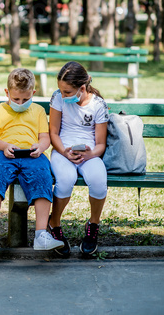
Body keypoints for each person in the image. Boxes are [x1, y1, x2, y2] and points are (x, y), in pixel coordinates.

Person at [0, 68, 64, 251]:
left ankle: (41, 235)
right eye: (16, 99)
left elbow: (45, 137)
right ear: (7, 93)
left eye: (26, 99)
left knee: (42, 177)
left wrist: (41, 146)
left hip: (33, 155)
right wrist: (4, 146)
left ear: (33, 94)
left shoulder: (37, 111)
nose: (21, 103)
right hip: (4, 155)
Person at [48, 61, 109, 257]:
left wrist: (90, 154)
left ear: (81, 88)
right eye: (61, 91)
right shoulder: (58, 98)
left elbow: (100, 143)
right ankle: (54, 223)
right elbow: (53, 132)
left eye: (67, 92)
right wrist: (64, 152)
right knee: (65, 180)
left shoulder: (98, 104)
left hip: (89, 154)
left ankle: (93, 225)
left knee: (99, 182)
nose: (63, 95)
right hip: (62, 150)